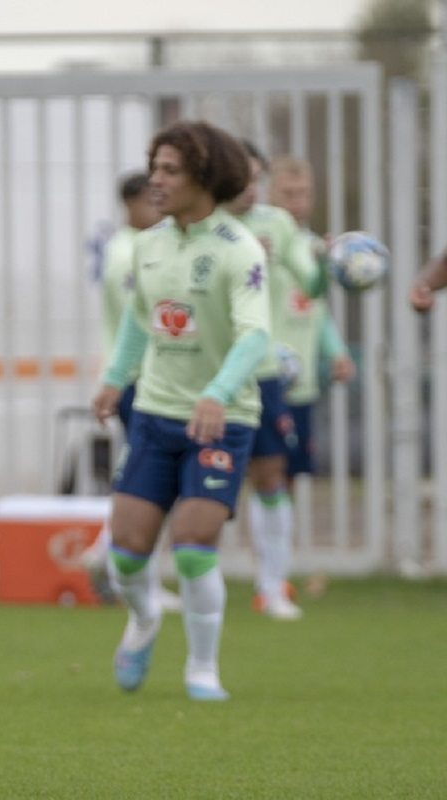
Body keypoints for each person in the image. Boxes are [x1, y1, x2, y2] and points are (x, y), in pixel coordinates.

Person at [93, 120, 269, 702]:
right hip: (155, 415)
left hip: (223, 419)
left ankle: (201, 669)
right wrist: (114, 380)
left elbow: (254, 337)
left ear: (205, 176)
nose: (156, 180)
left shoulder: (239, 249)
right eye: (155, 167)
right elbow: (139, 325)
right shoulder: (147, 246)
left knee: (194, 551)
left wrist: (218, 392)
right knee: (124, 555)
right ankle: (143, 619)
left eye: (170, 170)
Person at [223, 142, 326, 621]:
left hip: (261, 371)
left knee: (271, 477)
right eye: (242, 176)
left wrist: (329, 263)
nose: (251, 187)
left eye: (256, 177)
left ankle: (272, 588)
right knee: (177, 485)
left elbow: (310, 284)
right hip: (201, 376)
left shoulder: (275, 224)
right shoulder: (200, 227)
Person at [81, 172, 181, 613]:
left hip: (138, 379)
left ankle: (107, 551)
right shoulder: (130, 254)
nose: (160, 210)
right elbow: (143, 319)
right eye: (153, 202)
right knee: (151, 484)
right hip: (141, 379)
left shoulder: (129, 248)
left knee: (142, 477)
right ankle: (134, 573)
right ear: (132, 204)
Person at [265, 156, 355, 602]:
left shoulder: (307, 247)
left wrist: (335, 352)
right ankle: (269, 578)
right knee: (268, 474)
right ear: (269, 193)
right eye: (288, 193)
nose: (297, 202)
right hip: (264, 377)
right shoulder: (262, 244)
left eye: (303, 194)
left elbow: (315, 307)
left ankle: (274, 572)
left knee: (286, 476)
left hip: (302, 382)